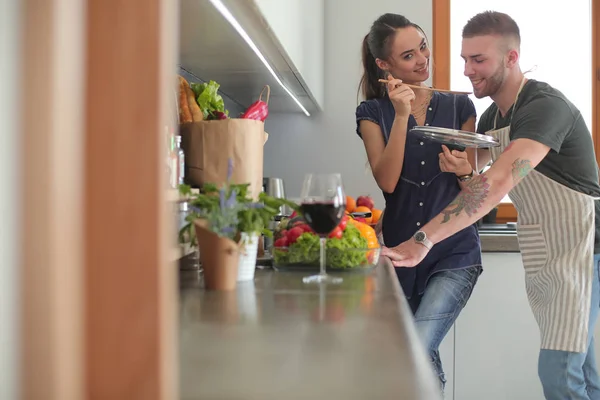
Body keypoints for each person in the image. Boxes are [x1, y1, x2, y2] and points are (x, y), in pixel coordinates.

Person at [383, 10, 600, 399]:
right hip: (549, 246)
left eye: (478, 59)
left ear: (512, 58)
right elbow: (476, 178)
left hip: (585, 246)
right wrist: (462, 170)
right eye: (465, 58)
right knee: (581, 368)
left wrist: (423, 239)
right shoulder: (491, 117)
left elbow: (497, 182)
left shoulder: (544, 106)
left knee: (560, 371)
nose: (467, 69)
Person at [355, 13, 483, 391]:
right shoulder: (372, 113)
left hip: (453, 251)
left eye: (423, 47)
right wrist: (401, 114)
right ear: (384, 65)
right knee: (417, 355)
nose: (423, 60)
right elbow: (388, 181)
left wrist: (463, 171)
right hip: (400, 253)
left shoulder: (461, 108)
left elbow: (475, 192)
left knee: (416, 346)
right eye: (408, 55)